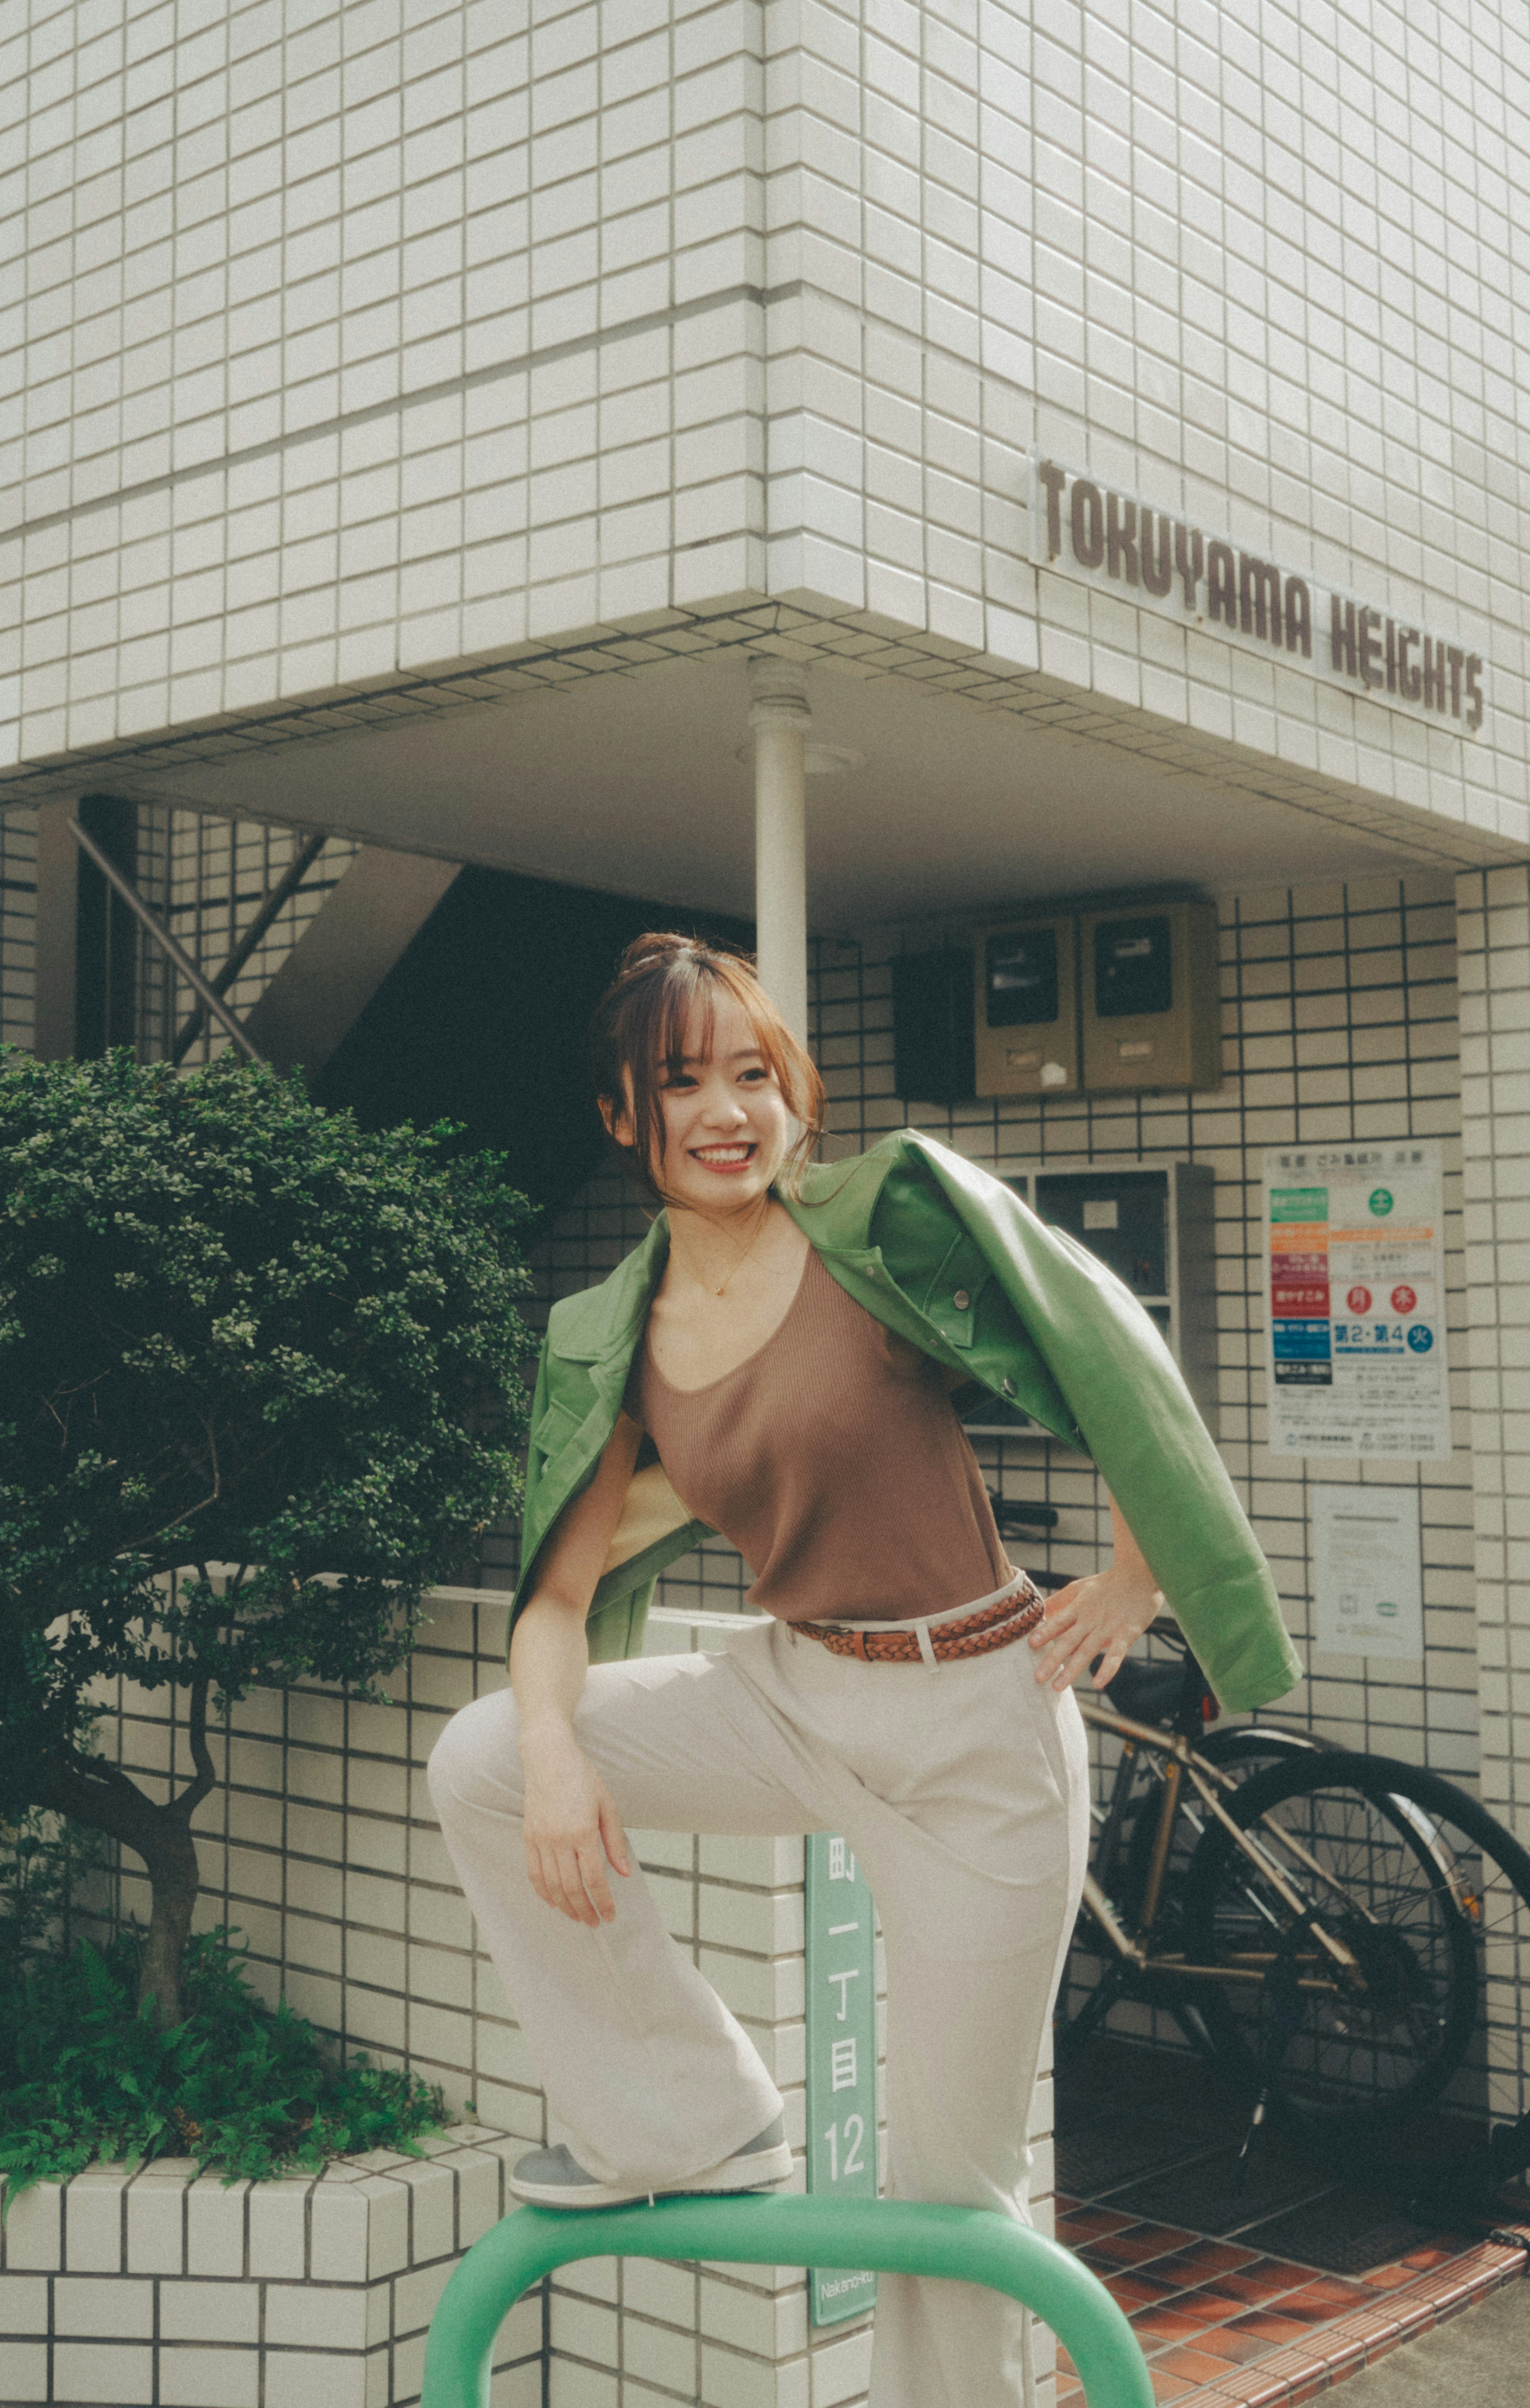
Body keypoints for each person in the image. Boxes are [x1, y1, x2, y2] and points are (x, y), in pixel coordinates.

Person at [429, 932, 1298, 2408]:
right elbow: (554, 1597)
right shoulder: (615, 1335)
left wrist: (1137, 1576)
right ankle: (685, 2121)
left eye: (754, 1075)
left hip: (982, 1722)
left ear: (795, 1094)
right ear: (619, 1118)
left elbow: (1109, 1349)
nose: (727, 1111)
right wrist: (560, 1763)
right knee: (487, 1755)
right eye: (682, 1080)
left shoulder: (881, 1225)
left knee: (948, 2192)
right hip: (791, 1694)